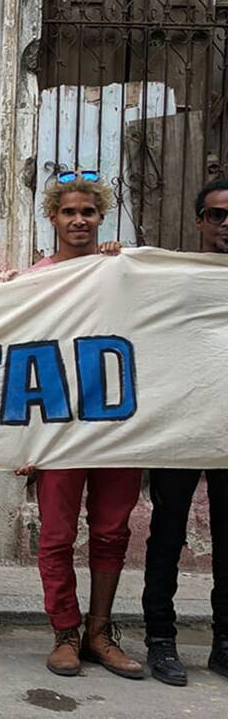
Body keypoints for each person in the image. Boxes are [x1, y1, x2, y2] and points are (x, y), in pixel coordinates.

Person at [11, 170, 142, 679]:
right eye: (69, 212)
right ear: (53, 217)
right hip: (59, 424)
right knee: (58, 535)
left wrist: (121, 265)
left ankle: (100, 631)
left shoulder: (122, 271)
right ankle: (64, 631)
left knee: (112, 531)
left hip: (117, 424)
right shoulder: (35, 281)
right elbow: (12, 356)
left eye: (88, 212)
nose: (79, 220)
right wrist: (22, 437)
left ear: (100, 217)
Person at [141, 179, 228, 685]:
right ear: (199, 221)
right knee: (167, 535)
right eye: (215, 215)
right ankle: (161, 639)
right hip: (180, 424)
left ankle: (223, 642)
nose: (225, 225)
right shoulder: (172, 277)